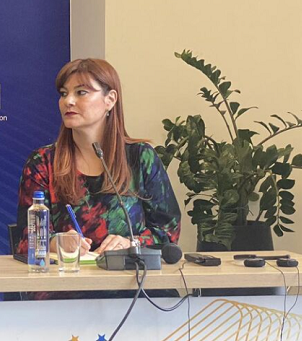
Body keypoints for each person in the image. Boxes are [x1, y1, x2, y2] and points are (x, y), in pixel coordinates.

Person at [16, 58, 180, 258]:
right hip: (67, 276)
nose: (68, 101)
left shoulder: (140, 156)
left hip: (129, 274)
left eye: (81, 92)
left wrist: (131, 243)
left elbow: (169, 232)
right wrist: (56, 242)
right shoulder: (42, 162)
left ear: (110, 100)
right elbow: (26, 240)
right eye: (64, 93)